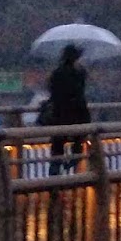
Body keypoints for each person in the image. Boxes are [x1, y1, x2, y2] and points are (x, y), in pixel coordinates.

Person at [47, 43, 90, 173]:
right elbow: (79, 93)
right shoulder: (79, 73)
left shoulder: (57, 73)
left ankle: (54, 173)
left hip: (59, 115)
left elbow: (52, 91)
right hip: (77, 114)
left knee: (57, 146)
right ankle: (72, 162)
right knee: (78, 142)